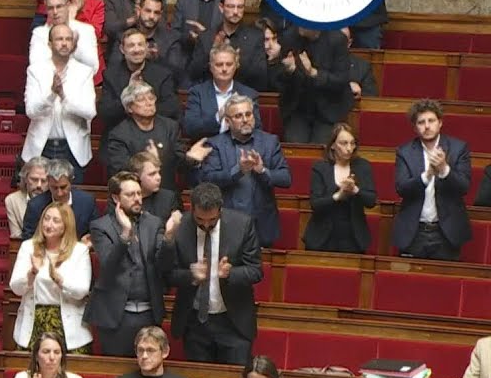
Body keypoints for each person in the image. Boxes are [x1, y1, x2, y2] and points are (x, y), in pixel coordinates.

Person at [162, 183, 263, 365]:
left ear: (220, 209)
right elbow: (167, 274)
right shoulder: (180, 227)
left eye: (212, 219)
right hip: (195, 323)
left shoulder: (242, 225)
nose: (206, 224)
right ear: (192, 209)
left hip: (233, 323)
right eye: (200, 219)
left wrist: (230, 273)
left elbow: (256, 270)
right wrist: (191, 275)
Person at [86, 172, 182, 357]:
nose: (137, 198)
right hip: (115, 315)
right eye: (130, 195)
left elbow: (165, 265)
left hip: (148, 313)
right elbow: (108, 265)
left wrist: (169, 237)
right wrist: (125, 234)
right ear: (116, 198)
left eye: (139, 193)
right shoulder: (101, 226)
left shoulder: (154, 223)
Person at [198, 95, 292, 248]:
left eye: (248, 114)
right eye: (238, 116)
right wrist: (238, 170)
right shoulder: (215, 144)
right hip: (226, 223)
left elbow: (285, 178)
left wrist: (262, 170)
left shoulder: (270, 142)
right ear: (227, 121)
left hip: (261, 225)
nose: (245, 119)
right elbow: (208, 179)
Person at [392, 99, 472, 260]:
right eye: (421, 122)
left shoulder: (458, 148)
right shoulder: (404, 152)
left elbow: (464, 187)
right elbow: (401, 188)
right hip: (414, 232)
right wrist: (426, 176)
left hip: (446, 232)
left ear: (440, 123)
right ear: (415, 128)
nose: (427, 126)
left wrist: (444, 169)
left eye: (431, 120)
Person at [10, 204, 91, 353]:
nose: (48, 224)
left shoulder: (79, 251)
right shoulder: (28, 247)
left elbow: (82, 291)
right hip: (35, 321)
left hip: (68, 325)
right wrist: (32, 273)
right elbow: (16, 288)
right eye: (46, 219)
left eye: (55, 220)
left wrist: (60, 281)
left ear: (66, 225)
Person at [22, 23, 96, 184]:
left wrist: (63, 96)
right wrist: (51, 95)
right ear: (50, 44)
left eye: (68, 39)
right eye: (59, 39)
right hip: (42, 147)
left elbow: (90, 111)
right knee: (39, 195)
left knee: (72, 196)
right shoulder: (35, 70)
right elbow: (31, 111)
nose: (64, 43)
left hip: (73, 149)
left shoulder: (84, 72)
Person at [102, 81, 211, 186]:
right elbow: (120, 171)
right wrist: (147, 163)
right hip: (138, 192)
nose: (149, 103)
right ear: (129, 108)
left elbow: (179, 164)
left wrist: (190, 158)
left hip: (167, 191)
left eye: (151, 98)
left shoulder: (170, 127)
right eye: (141, 100)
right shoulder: (119, 134)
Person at [304, 123, 378, 254]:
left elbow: (371, 201)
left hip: (353, 238)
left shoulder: (363, 166)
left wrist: (355, 190)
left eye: (352, 143)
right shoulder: (320, 167)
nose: (349, 148)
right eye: (344, 143)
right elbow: (315, 204)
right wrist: (338, 195)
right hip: (322, 238)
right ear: (333, 145)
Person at [273, 26, 352, 144]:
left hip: (329, 109)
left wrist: (313, 73)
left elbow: (341, 80)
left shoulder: (337, 39)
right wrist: (289, 70)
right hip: (298, 108)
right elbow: (277, 78)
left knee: (321, 146)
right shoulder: (289, 37)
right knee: (295, 144)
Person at [98, 29, 180, 135]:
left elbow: (171, 107)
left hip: (154, 131)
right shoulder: (111, 75)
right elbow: (105, 112)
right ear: (122, 49)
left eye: (140, 45)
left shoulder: (163, 74)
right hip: (121, 133)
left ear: (146, 47)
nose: (136, 50)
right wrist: (128, 94)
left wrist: (140, 112)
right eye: (131, 45)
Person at [187, 0, 265, 90]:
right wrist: (212, 50)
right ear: (221, 7)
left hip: (243, 94)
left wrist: (236, 60)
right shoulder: (206, 37)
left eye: (240, 7)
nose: (236, 12)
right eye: (231, 6)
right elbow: (194, 73)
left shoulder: (255, 37)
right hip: (211, 94)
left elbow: (261, 76)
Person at [182, 44, 261, 141]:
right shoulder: (198, 93)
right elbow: (190, 129)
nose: (224, 69)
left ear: (236, 66)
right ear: (211, 67)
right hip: (208, 147)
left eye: (229, 64)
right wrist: (218, 116)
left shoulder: (249, 94)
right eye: (219, 65)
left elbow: (257, 130)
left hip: (240, 147)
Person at [29, 0, 100, 77]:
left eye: (59, 7)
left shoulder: (85, 30)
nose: (55, 12)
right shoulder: (39, 33)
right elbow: (35, 65)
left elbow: (92, 66)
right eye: (50, 8)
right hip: (48, 81)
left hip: (79, 81)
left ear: (68, 6)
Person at [21, 160, 97, 241]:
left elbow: (96, 230)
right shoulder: (35, 205)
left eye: (63, 187)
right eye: (54, 187)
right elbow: (28, 237)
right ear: (48, 181)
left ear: (71, 181)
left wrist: (90, 240)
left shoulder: (87, 201)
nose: (59, 193)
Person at [130, 150, 181, 222]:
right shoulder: (124, 199)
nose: (158, 177)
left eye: (158, 172)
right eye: (152, 174)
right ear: (136, 177)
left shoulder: (168, 198)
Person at [7, 157, 49, 239]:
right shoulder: (12, 200)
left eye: (44, 181)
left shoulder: (55, 198)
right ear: (25, 179)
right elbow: (16, 237)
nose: (39, 185)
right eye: (34, 179)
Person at [343, 27, 379, 101]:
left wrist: (359, 94)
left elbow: (372, 97)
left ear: (349, 43)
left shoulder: (362, 66)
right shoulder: (319, 62)